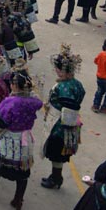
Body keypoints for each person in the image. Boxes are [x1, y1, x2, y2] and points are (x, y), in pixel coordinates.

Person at [0, 60, 43, 210]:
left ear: (15, 85)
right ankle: (18, 199)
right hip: (25, 140)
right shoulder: (34, 102)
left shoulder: (11, 102)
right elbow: (40, 103)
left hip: (8, 138)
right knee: (22, 172)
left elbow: (0, 121)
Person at [41, 44, 86, 190]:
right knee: (58, 153)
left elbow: (66, 106)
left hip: (60, 124)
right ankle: (55, 176)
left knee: (56, 153)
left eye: (58, 69)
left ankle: (56, 178)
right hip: (70, 122)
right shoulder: (77, 84)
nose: (56, 71)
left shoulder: (62, 87)